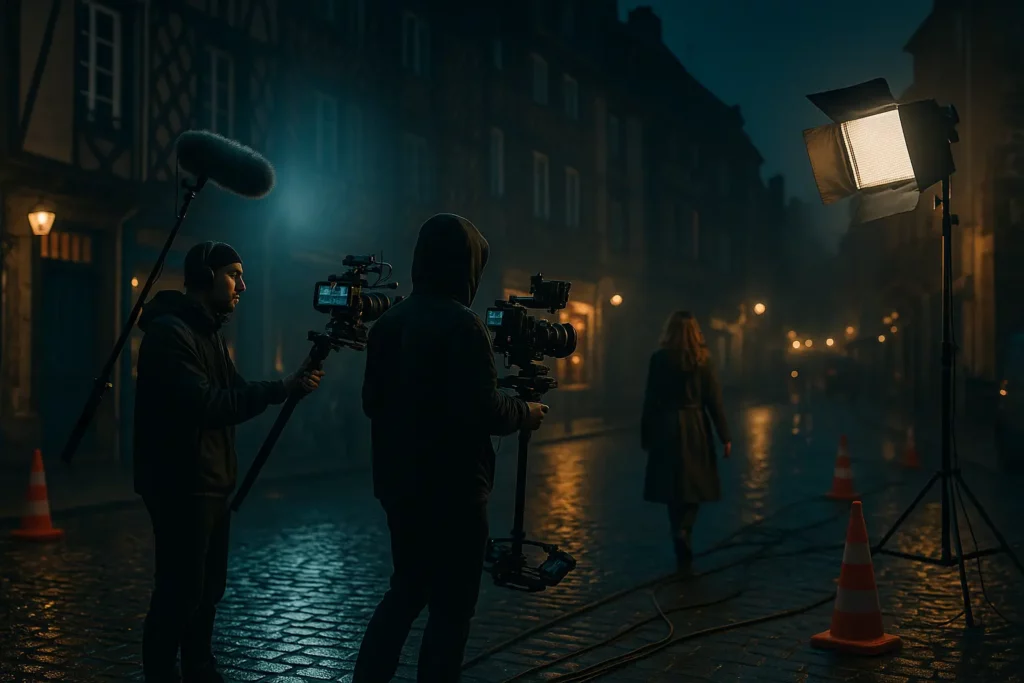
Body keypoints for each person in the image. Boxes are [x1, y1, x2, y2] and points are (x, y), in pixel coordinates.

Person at [353, 213, 549, 683]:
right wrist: (525, 411)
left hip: (399, 485)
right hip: (456, 491)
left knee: (406, 590)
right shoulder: (464, 326)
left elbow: (371, 402)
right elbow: (485, 410)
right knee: (452, 608)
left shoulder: (389, 322)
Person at [133, 241, 325, 683]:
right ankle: (160, 674)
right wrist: (279, 389)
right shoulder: (171, 334)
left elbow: (235, 389)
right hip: (181, 481)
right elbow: (208, 404)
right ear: (206, 276)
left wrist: (287, 384)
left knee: (207, 590)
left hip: (211, 479)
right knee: (180, 591)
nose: (243, 285)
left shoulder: (209, 334)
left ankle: (200, 667)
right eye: (234, 274)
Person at [640, 310, 731, 575]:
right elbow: (714, 401)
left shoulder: (659, 359)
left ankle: (677, 530)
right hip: (694, 426)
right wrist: (725, 436)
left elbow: (650, 399)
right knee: (695, 482)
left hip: (666, 425)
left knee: (673, 485)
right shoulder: (703, 360)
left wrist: (647, 433)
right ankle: (685, 529)